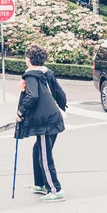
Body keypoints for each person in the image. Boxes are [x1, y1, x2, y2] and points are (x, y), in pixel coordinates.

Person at [15, 45, 67, 203]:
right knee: (38, 150)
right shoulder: (46, 73)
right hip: (53, 117)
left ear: (29, 60)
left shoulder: (31, 76)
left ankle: (55, 189)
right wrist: (62, 108)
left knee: (45, 156)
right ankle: (40, 184)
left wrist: (20, 112)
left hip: (44, 121)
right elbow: (60, 93)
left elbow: (32, 96)